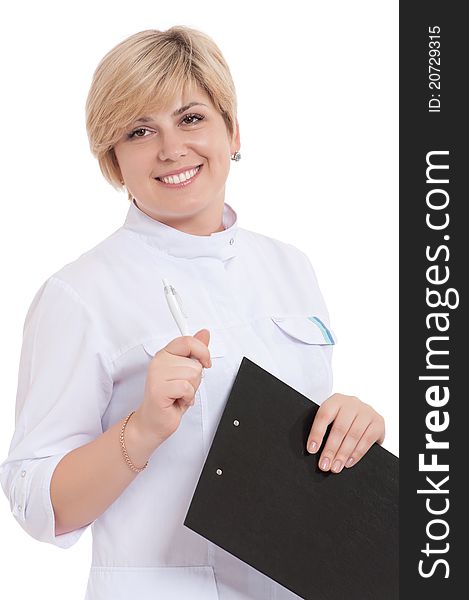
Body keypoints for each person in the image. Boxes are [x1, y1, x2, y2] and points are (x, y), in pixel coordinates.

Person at [0, 26, 385, 600]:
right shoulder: (79, 294)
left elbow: (300, 458)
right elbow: (35, 503)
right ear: (114, 160)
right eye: (139, 130)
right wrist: (144, 427)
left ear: (232, 130)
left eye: (191, 118)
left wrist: (354, 434)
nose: (171, 148)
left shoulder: (291, 267)